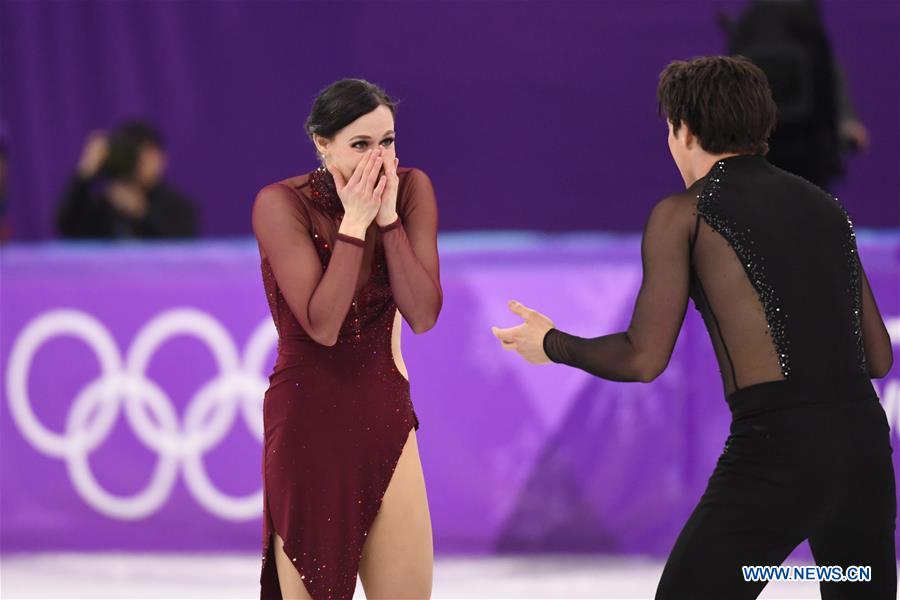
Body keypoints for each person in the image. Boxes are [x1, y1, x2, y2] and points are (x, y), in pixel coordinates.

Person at [492, 56, 895, 599]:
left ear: (684, 129)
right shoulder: (825, 207)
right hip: (864, 451)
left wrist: (552, 343)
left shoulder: (686, 212)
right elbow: (878, 359)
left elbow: (643, 358)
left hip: (776, 452)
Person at [252, 79, 441, 599]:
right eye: (361, 145)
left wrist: (388, 220)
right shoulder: (279, 205)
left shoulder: (410, 190)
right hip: (308, 422)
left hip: (384, 416)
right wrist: (356, 223)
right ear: (322, 143)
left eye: (388, 142)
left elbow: (423, 315)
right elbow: (323, 324)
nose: (378, 159)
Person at [56, 120, 197, 239]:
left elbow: (183, 252)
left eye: (148, 154)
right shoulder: (106, 205)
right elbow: (68, 230)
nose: (141, 162)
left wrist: (142, 215)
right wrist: (85, 173)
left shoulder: (177, 207)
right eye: (136, 154)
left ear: (162, 158)